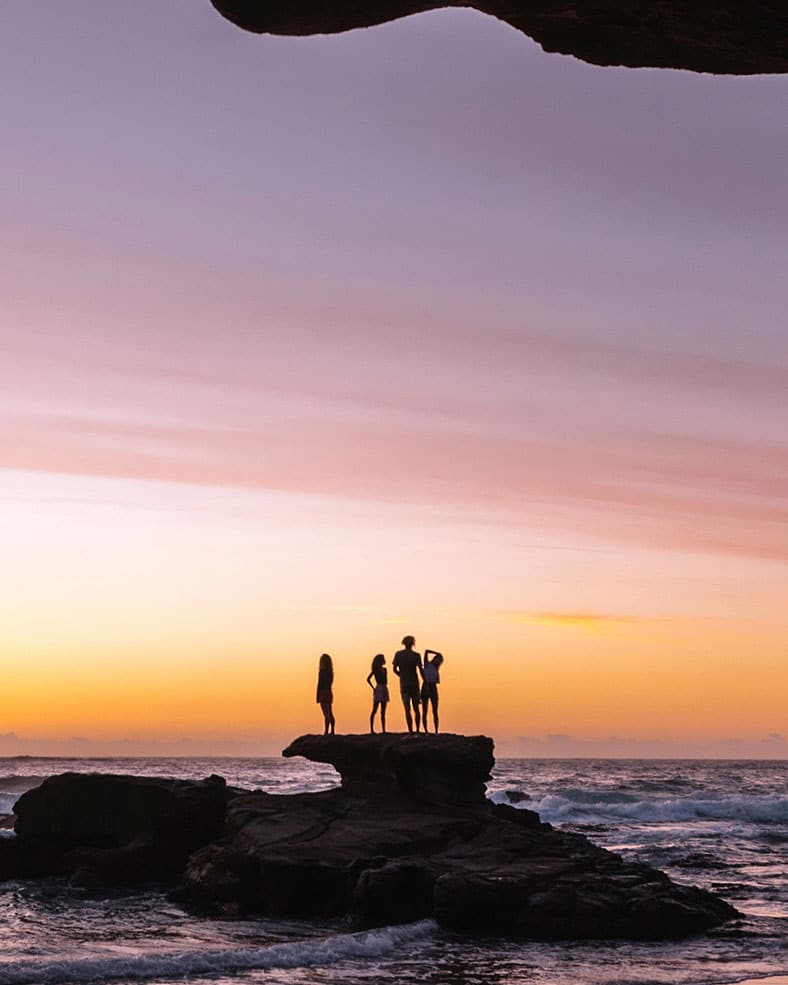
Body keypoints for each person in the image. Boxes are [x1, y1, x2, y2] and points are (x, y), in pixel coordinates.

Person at [392, 635, 423, 733]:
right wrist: (426, 681)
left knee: (407, 708)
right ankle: (417, 730)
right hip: (414, 683)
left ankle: (411, 731)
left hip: (404, 683)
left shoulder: (398, 654)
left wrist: (401, 675)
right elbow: (420, 670)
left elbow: (394, 669)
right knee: (416, 708)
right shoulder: (416, 655)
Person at [421, 650, 443, 734]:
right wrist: (436, 653)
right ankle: (426, 730)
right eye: (437, 659)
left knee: (435, 710)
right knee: (424, 710)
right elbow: (426, 651)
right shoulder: (427, 664)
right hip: (426, 685)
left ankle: (436, 731)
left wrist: (439, 656)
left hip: (433, 687)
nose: (438, 662)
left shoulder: (436, 668)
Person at [366, 653, 389, 734]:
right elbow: (368, 679)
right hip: (379, 687)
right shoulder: (375, 670)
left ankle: (383, 730)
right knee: (375, 710)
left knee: (383, 711)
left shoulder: (385, 669)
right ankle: (372, 729)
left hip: (384, 687)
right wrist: (373, 688)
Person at [316, 653, 335, 735]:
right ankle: (332, 730)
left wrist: (317, 696)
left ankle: (326, 731)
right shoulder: (331, 672)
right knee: (330, 713)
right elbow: (330, 683)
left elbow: (319, 684)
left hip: (323, 693)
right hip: (329, 692)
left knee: (326, 714)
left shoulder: (322, 672)